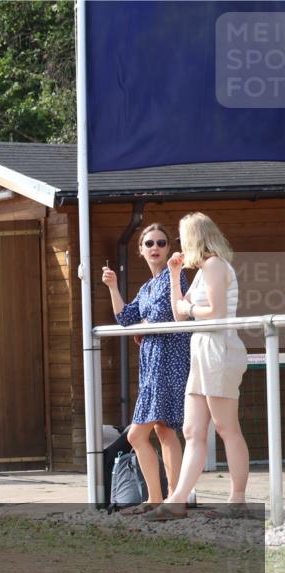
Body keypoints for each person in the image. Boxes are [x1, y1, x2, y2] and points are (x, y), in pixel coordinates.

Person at [146, 213, 250, 521]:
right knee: (192, 430)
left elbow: (215, 311)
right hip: (202, 349)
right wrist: (174, 274)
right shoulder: (203, 270)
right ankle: (177, 499)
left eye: (182, 236)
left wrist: (189, 307)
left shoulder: (215, 265)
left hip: (219, 348)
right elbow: (179, 314)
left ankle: (237, 499)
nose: (179, 243)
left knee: (226, 427)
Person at [101, 223, 190, 514]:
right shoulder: (147, 287)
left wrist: (143, 327)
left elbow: (164, 316)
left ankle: (168, 499)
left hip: (169, 361)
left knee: (144, 434)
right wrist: (113, 287)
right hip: (152, 364)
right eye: (149, 243)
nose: (155, 248)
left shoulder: (174, 276)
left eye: (161, 243)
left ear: (168, 247)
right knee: (160, 432)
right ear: (140, 249)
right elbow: (125, 318)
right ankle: (164, 500)